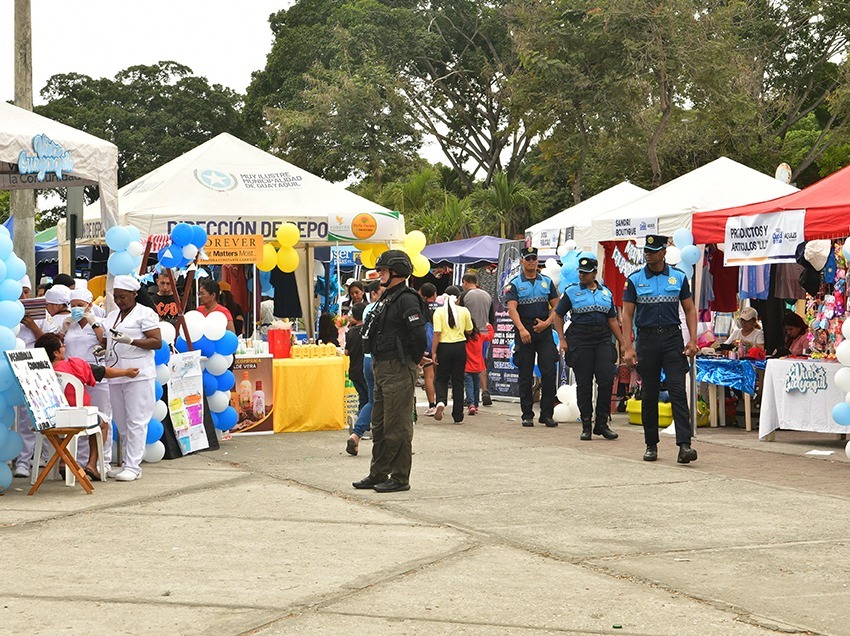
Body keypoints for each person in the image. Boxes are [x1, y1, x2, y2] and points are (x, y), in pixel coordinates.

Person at [352, 251, 427, 492]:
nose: (380, 274)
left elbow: (417, 334)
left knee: (398, 425)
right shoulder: (387, 298)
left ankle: (399, 477)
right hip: (381, 366)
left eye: (384, 270)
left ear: (396, 272)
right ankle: (378, 472)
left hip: (398, 366)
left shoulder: (407, 299)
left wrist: (412, 362)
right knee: (380, 424)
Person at [622, 234, 699, 464]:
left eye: (654, 250)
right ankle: (651, 444)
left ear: (664, 252)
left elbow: (690, 309)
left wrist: (693, 339)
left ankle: (684, 445)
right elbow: (626, 314)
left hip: (671, 339)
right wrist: (627, 347)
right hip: (646, 340)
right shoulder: (634, 279)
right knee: (649, 393)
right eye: (647, 250)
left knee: (677, 390)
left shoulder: (678, 277)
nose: (649, 254)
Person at [35, 333, 139, 481]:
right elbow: (103, 372)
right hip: (76, 417)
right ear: (56, 353)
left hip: (48, 419)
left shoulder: (37, 373)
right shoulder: (73, 365)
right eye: (62, 346)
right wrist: (126, 372)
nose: (65, 348)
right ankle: (91, 464)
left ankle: (65, 461)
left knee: (64, 428)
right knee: (103, 424)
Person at [553, 256, 628, 441]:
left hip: (602, 339)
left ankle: (601, 423)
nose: (582, 276)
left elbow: (612, 320)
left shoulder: (606, 293)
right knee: (584, 383)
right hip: (580, 340)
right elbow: (558, 315)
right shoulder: (571, 292)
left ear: (595, 273)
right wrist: (562, 339)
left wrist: (623, 342)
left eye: (586, 273)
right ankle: (586, 424)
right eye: (580, 272)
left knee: (606, 379)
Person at [105, 275, 162, 482]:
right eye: (116, 297)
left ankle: (133, 465)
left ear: (133, 294)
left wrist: (132, 340)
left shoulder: (144, 314)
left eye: (123, 297)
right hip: (115, 372)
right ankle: (127, 463)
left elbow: (156, 342)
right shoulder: (112, 316)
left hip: (139, 374)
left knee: (137, 420)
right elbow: (106, 341)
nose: (119, 301)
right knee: (121, 421)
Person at [13, 284, 71, 478]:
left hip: (36, 370)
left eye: (26, 291)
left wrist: (33, 325)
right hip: (11, 367)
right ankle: (18, 459)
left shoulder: (43, 318)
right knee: (18, 418)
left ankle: (28, 460)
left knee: (33, 417)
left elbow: (50, 342)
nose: (24, 295)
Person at [505, 246, 559, 427]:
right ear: (521, 261)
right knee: (525, 374)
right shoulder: (514, 284)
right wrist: (521, 329)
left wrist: (547, 323)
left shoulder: (547, 282)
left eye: (534, 258)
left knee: (549, 372)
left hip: (543, 329)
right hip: (525, 330)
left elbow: (556, 307)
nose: (531, 261)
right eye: (527, 258)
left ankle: (546, 414)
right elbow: (512, 309)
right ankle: (527, 414)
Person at [61, 287, 112, 468]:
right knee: (81, 418)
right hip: (75, 376)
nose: (76, 309)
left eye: (80, 305)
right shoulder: (70, 325)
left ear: (89, 305)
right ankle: (81, 460)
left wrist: (94, 324)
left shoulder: (99, 322)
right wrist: (63, 330)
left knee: (102, 416)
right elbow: (60, 346)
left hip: (96, 374)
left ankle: (102, 461)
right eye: (73, 305)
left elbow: (104, 342)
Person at [346, 282, 382, 456]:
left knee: (371, 399)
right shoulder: (383, 308)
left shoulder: (368, 310)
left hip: (367, 362)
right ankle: (363, 430)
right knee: (384, 400)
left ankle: (357, 432)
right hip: (380, 360)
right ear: (373, 293)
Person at [431, 285, 474, 422]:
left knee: (441, 378)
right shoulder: (464, 311)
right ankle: (458, 414)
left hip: (444, 347)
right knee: (458, 380)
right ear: (459, 298)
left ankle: (441, 402)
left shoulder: (438, 312)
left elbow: (437, 333)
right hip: (460, 347)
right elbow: (469, 330)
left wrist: (433, 351)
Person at [460, 273, 494, 406]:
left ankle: (469, 396)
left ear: (465, 282)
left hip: (469, 335)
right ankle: (485, 391)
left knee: (468, 365)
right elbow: (491, 318)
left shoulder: (464, 296)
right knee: (481, 363)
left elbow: (460, 314)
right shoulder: (487, 295)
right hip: (484, 334)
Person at [464, 322, 494, 415]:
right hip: (477, 366)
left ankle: (471, 404)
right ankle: (476, 405)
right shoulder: (479, 336)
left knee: (469, 386)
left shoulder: (464, 339)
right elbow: (490, 336)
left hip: (467, 366)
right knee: (476, 386)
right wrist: (489, 326)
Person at [419, 282, 438, 415]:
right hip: (437, 345)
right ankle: (440, 401)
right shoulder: (439, 308)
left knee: (428, 376)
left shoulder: (419, 307)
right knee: (437, 376)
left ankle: (432, 404)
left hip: (424, 345)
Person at [345, 302, 368, 411]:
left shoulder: (350, 332)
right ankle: (361, 423)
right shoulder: (367, 331)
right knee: (368, 398)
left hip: (354, 370)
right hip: (364, 370)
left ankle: (361, 420)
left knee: (363, 397)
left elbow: (346, 351)